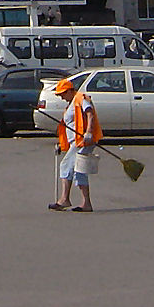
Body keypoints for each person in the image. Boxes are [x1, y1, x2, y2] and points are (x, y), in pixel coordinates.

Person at [50, 77, 102, 213]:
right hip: (77, 142)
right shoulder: (71, 103)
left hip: (84, 141)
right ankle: (86, 203)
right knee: (79, 170)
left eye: (62, 94)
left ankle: (64, 200)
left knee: (67, 165)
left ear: (69, 91)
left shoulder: (81, 98)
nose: (61, 97)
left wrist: (89, 132)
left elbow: (89, 114)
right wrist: (62, 144)